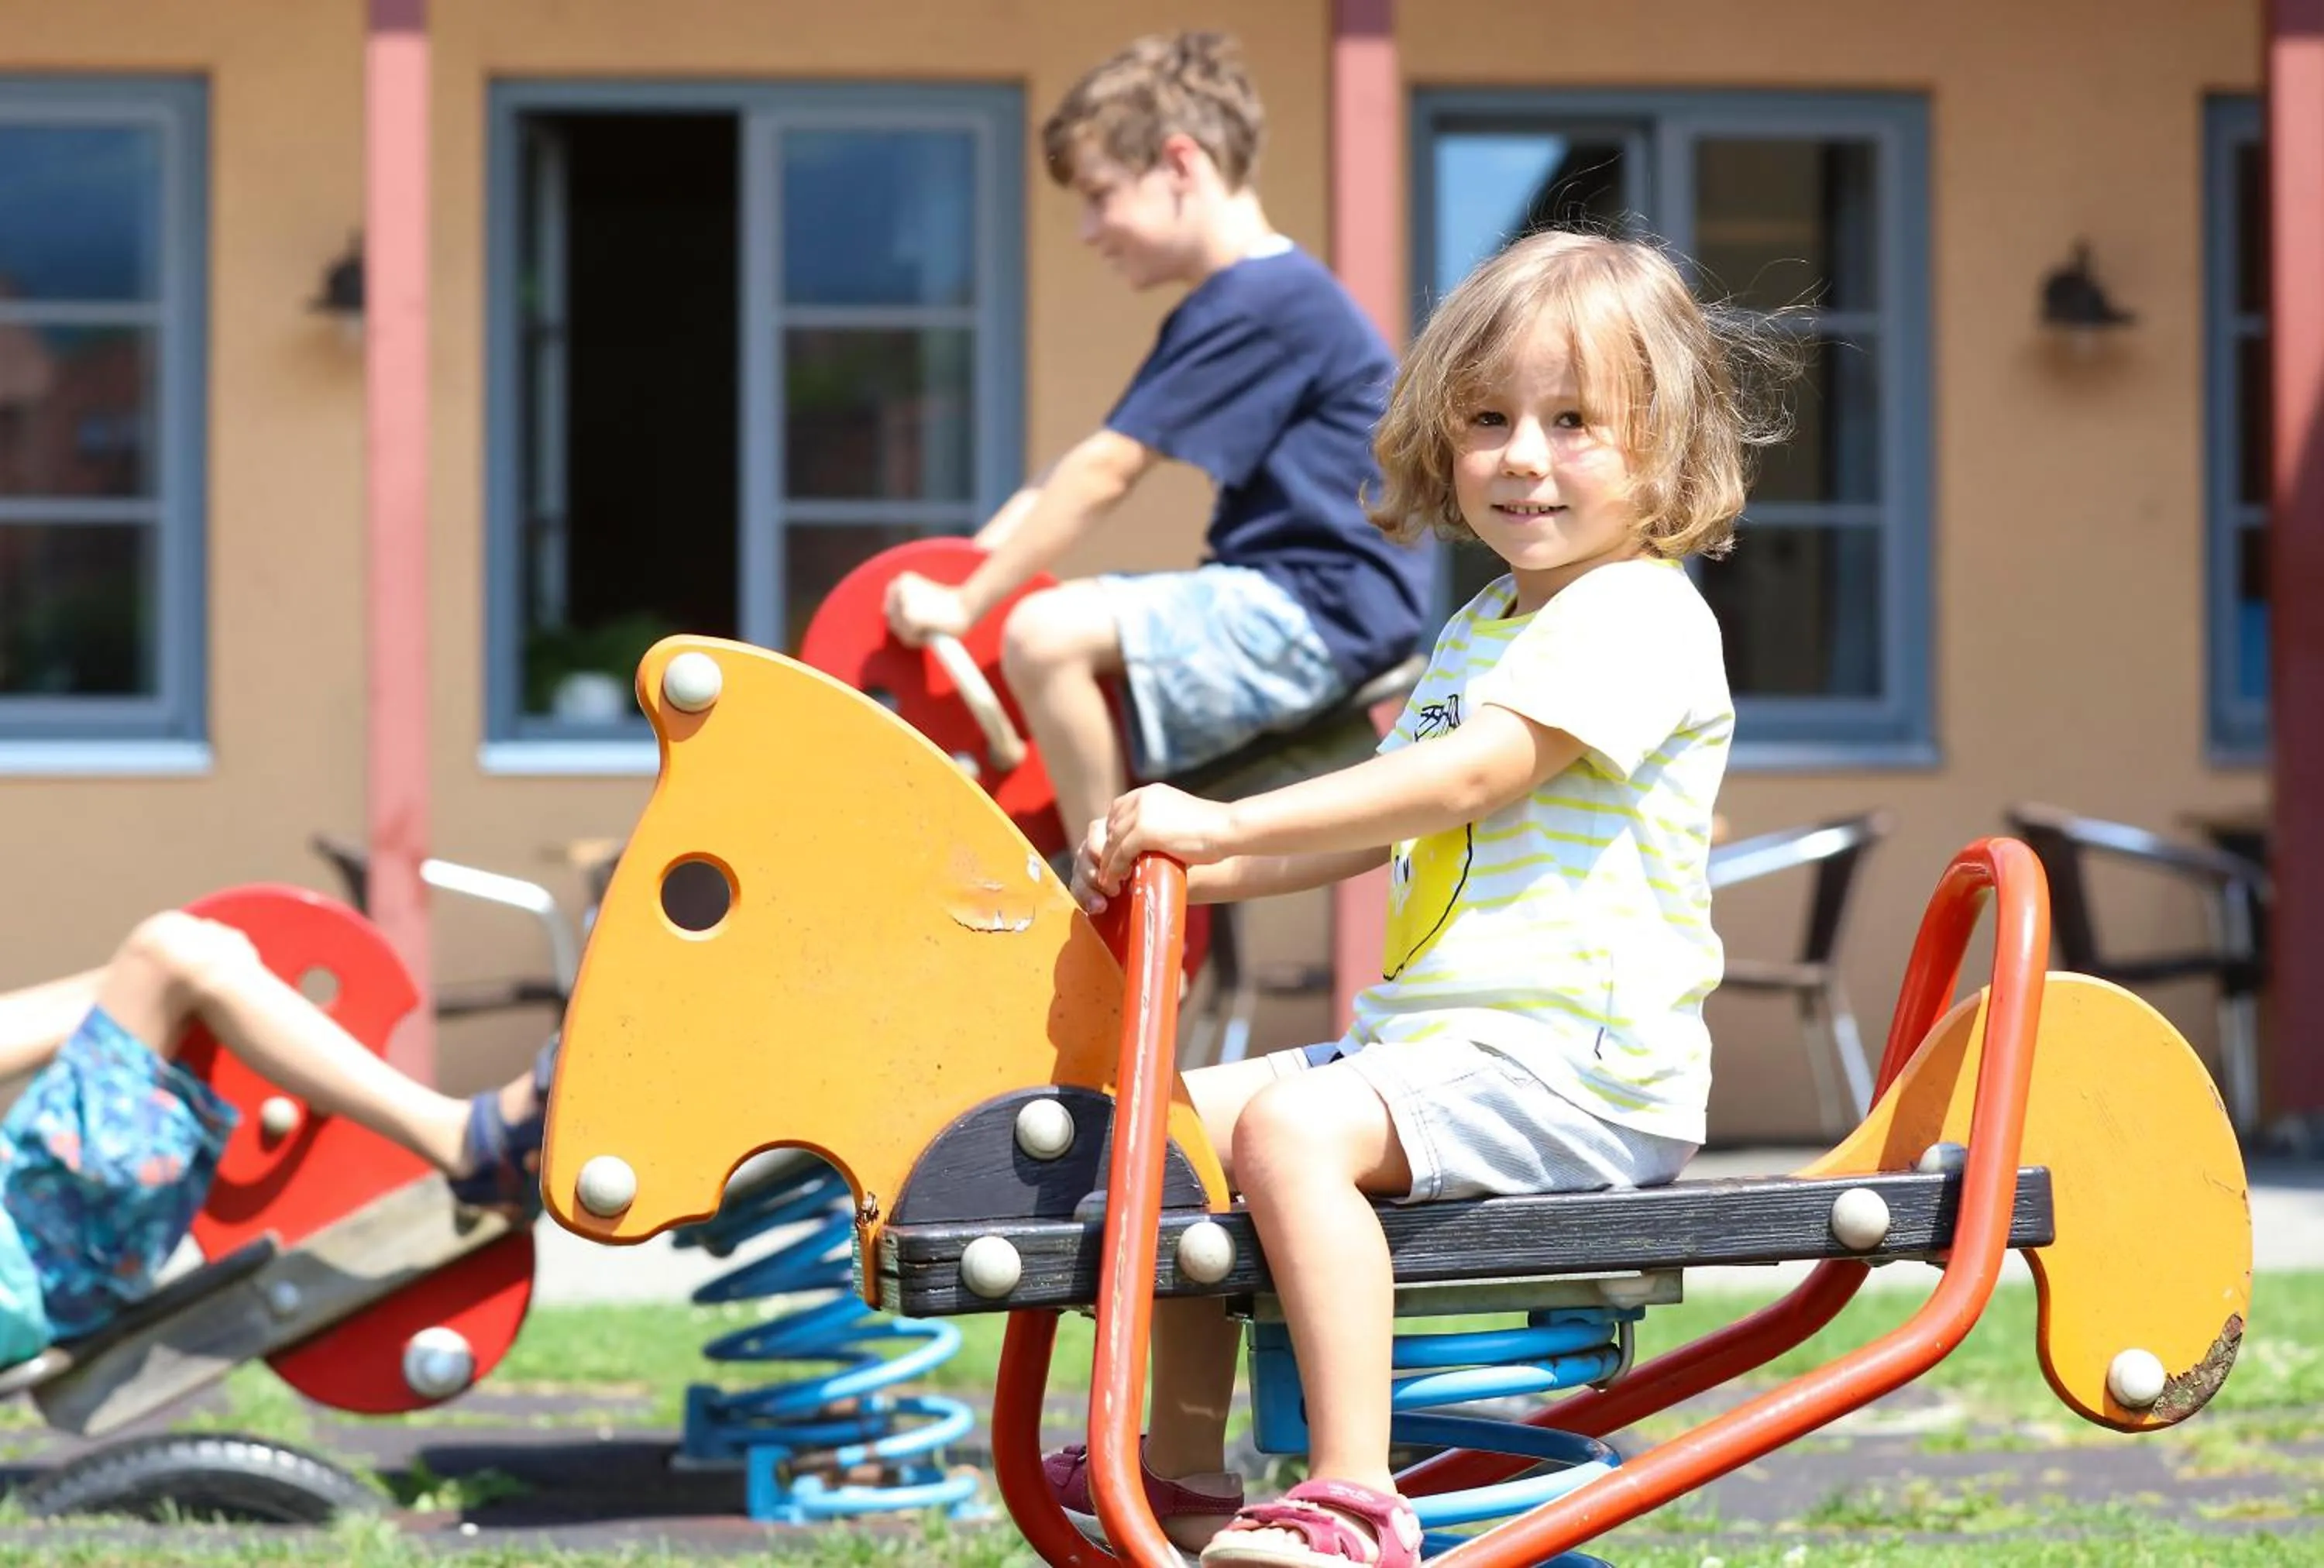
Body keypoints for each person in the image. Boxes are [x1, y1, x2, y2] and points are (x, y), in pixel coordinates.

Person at [1054, 228, 1789, 1565]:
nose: (1524, 455)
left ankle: (1349, 1491)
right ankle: (1183, 1468)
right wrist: (1199, 862)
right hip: (1450, 1048)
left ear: (1667, 451)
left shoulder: (1637, 612)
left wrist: (1223, 810)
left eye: (1575, 423)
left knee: (1285, 1128)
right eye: (1491, 419)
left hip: (1578, 1064)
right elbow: (1373, 817)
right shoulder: (1487, 625)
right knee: (1165, 1127)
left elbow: (1468, 776)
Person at [882, 30, 1430, 846]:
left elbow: (1107, 472)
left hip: (1318, 609)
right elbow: (1078, 466)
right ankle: (1113, 858)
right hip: (1304, 600)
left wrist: (968, 599)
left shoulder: (1266, 299)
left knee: (1046, 634)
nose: (1088, 230)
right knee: (1055, 641)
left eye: (1101, 194)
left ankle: (1103, 885)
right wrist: (964, 577)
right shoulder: (1249, 298)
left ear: (1181, 164)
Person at [0, 910, 551, 1367]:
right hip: (34, 1270)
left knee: (182, 953)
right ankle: (465, 1144)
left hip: (33, 1243)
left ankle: (461, 1140)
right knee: (176, 954)